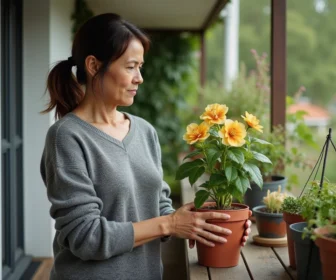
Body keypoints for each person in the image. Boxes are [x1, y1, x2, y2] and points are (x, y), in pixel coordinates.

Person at [40, 13, 251, 280]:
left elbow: (158, 207)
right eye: (130, 67)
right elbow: (86, 237)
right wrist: (170, 223)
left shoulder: (144, 131)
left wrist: (209, 222)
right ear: (93, 65)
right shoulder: (67, 138)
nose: (139, 78)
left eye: (140, 67)